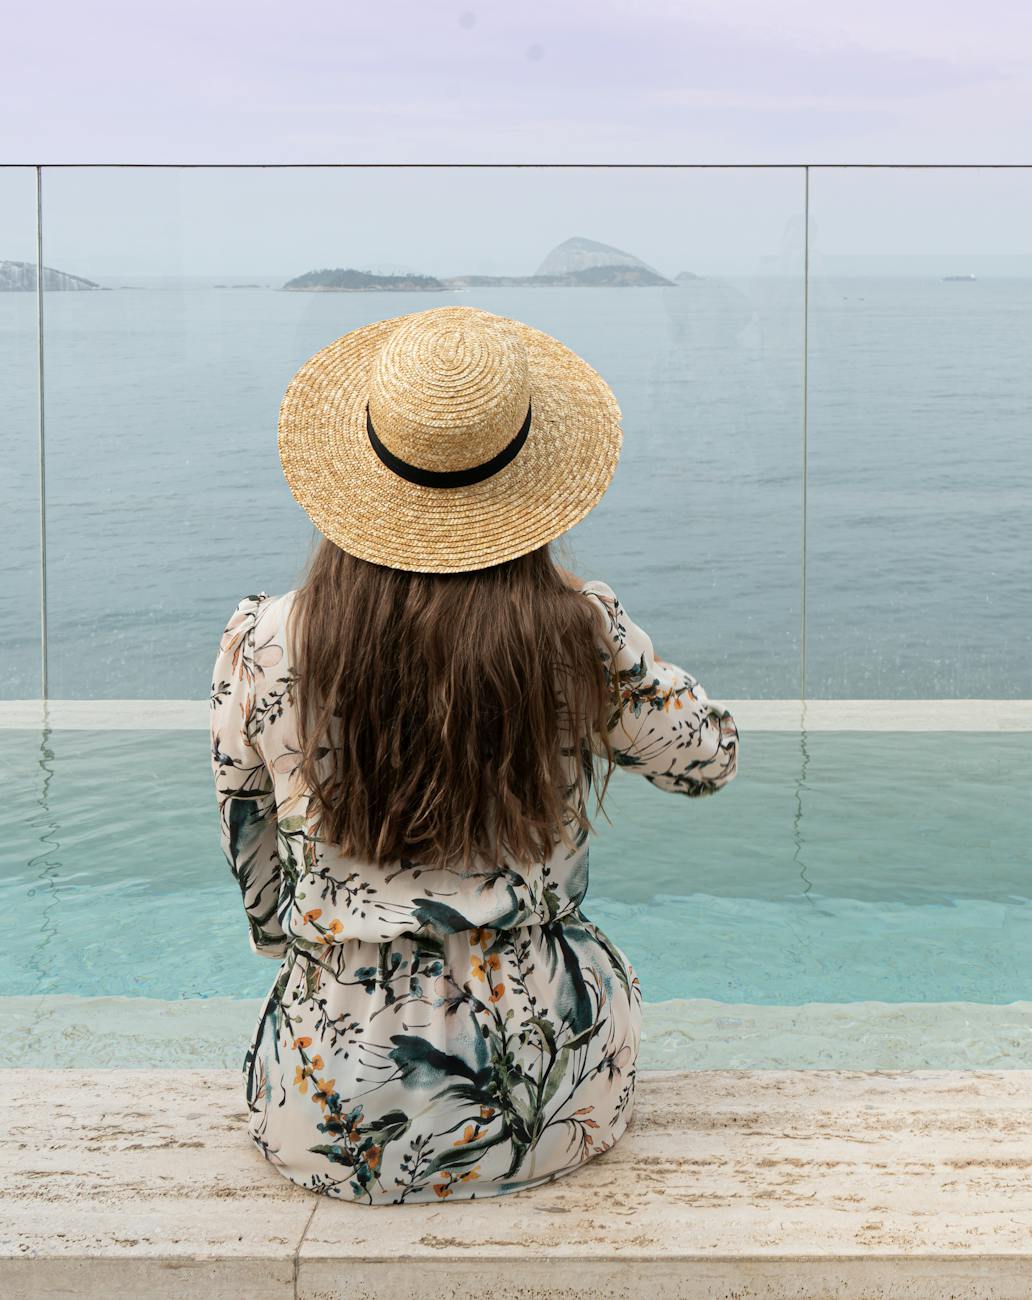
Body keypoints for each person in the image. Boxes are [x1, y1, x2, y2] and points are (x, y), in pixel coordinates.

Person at [209, 305, 738, 1203]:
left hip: (328, 1091)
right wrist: (588, 621)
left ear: (360, 474)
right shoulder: (574, 633)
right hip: (545, 1091)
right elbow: (706, 758)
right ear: (528, 485)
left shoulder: (266, 639)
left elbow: (249, 837)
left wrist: (300, 952)